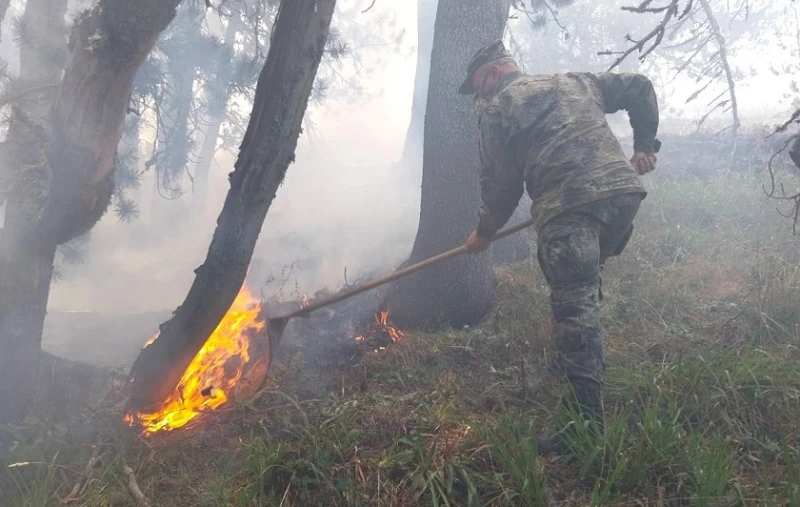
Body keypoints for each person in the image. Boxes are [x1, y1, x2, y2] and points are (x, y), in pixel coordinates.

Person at [459, 40, 660, 454]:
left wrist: (484, 232)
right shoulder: (574, 81)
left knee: (575, 311)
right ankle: (576, 360)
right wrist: (644, 146)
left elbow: (501, 185)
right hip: (623, 198)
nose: (478, 97)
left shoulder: (498, 108)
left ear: (494, 73)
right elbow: (639, 86)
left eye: (478, 86)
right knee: (583, 287)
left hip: (571, 213)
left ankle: (585, 435)